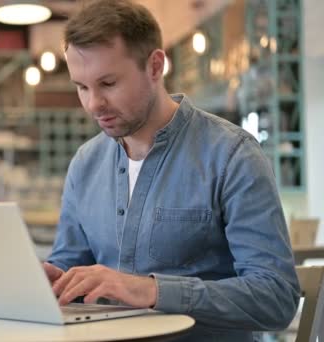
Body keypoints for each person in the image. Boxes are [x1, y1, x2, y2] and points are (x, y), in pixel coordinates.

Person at [42, 1, 299, 340]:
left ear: (155, 66)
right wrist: (48, 280)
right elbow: (69, 271)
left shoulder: (232, 155)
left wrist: (151, 290)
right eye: (82, 87)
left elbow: (276, 299)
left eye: (108, 83)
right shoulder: (85, 163)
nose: (93, 104)